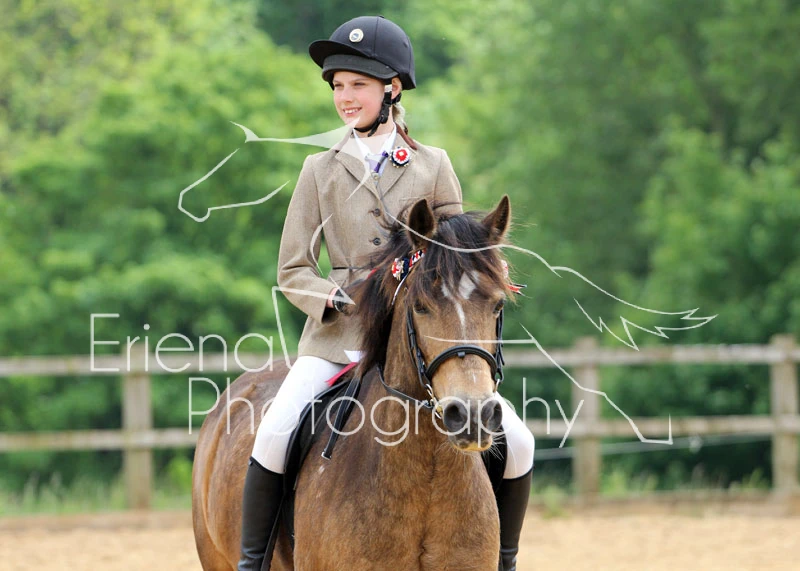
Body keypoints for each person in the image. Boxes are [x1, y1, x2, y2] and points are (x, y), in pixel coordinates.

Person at [238, 15, 535, 571]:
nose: (345, 97)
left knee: (519, 443)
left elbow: (457, 251)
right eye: (337, 86)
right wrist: (332, 298)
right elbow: (292, 268)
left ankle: (504, 561)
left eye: (358, 84)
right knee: (273, 433)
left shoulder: (432, 164)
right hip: (338, 338)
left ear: (392, 88)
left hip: (422, 335)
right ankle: (251, 563)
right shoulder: (318, 170)